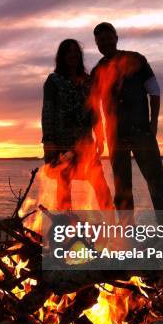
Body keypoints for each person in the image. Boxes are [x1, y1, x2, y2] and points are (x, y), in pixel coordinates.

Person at [90, 22, 163, 219]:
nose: (104, 43)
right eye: (100, 41)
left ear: (116, 38)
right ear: (97, 44)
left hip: (141, 132)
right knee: (122, 188)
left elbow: (154, 91)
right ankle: (126, 237)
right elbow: (94, 105)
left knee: (157, 182)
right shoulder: (97, 71)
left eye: (107, 38)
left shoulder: (136, 60)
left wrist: (153, 122)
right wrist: (100, 135)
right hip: (116, 136)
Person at [41, 39, 113, 211]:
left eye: (75, 51)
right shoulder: (53, 81)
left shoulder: (88, 81)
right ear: (62, 56)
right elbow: (47, 111)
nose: (72, 55)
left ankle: (113, 227)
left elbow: (95, 110)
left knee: (100, 184)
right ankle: (66, 228)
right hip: (62, 142)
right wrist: (48, 140)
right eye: (68, 51)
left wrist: (100, 135)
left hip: (85, 142)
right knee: (64, 185)